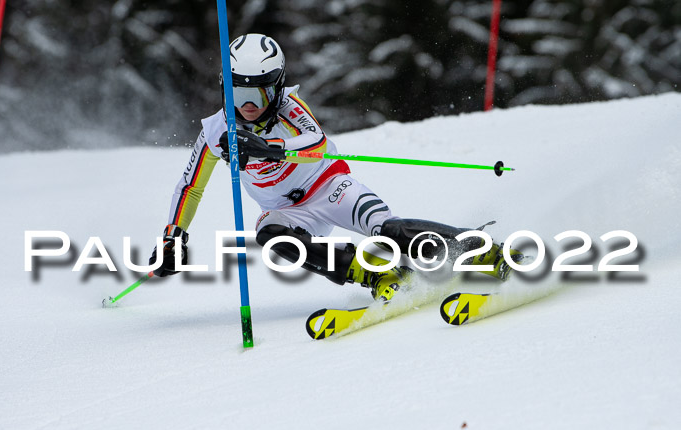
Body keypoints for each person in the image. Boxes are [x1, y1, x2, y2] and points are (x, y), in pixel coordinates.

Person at [150, 33, 518, 301]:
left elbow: (316, 143)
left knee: (386, 229)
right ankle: (377, 275)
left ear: (276, 88)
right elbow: (190, 187)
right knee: (271, 236)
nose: (247, 105)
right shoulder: (216, 131)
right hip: (286, 211)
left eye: (259, 93)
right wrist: (173, 237)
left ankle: (476, 249)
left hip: (330, 186)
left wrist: (266, 148)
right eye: (237, 92)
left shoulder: (289, 108)